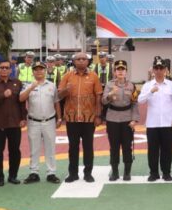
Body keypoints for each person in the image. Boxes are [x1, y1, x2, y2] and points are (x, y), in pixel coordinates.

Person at [59, 52, 103, 183]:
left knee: (88, 147)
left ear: (88, 61)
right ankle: (73, 173)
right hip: (71, 118)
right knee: (73, 147)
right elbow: (59, 95)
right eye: (78, 59)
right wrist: (66, 90)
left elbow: (98, 96)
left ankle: (88, 173)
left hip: (89, 118)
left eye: (84, 59)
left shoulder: (94, 76)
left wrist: (98, 115)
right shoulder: (67, 76)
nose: (81, 61)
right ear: (74, 61)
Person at [0, 58, 26, 186]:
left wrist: (23, 118)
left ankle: (13, 176)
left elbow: (22, 102)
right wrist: (3, 96)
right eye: (1, 67)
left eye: (6, 68)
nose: (4, 70)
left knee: (15, 151)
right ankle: (0, 177)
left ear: (10, 70)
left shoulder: (17, 83)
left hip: (14, 123)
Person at [138, 57, 172, 181]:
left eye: (161, 68)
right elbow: (140, 100)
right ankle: (154, 173)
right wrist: (150, 92)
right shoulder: (148, 85)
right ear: (153, 70)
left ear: (165, 70)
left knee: (167, 149)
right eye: (156, 68)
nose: (159, 71)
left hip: (168, 123)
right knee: (152, 150)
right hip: (152, 123)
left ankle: (166, 172)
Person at [21, 61, 62, 184]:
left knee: (50, 147)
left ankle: (51, 173)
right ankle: (34, 172)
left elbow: (56, 102)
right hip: (33, 121)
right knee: (34, 148)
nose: (39, 71)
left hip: (49, 120)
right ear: (33, 72)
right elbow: (21, 98)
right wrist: (31, 88)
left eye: (41, 69)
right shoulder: (27, 85)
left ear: (45, 71)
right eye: (36, 69)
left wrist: (59, 118)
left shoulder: (51, 85)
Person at [101, 60, 139, 181]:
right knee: (114, 146)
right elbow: (103, 101)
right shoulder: (109, 85)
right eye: (118, 69)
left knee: (127, 146)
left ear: (126, 71)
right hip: (112, 118)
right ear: (114, 72)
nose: (120, 72)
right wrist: (110, 94)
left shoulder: (131, 86)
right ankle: (115, 172)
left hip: (127, 119)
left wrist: (134, 119)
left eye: (123, 69)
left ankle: (127, 172)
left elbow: (134, 103)